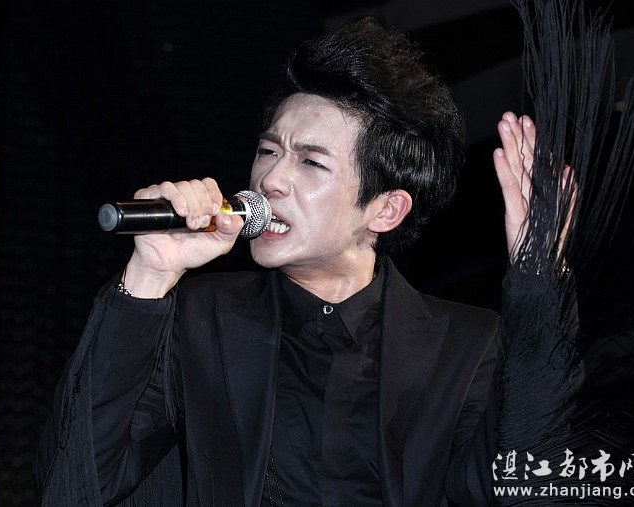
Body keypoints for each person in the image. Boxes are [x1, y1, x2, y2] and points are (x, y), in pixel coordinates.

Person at [34, 16, 545, 506]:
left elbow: (520, 486)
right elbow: (73, 484)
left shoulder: (467, 346)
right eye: (268, 151)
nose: (271, 179)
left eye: (311, 162)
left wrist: (540, 288)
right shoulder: (197, 320)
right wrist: (151, 273)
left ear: (385, 209)